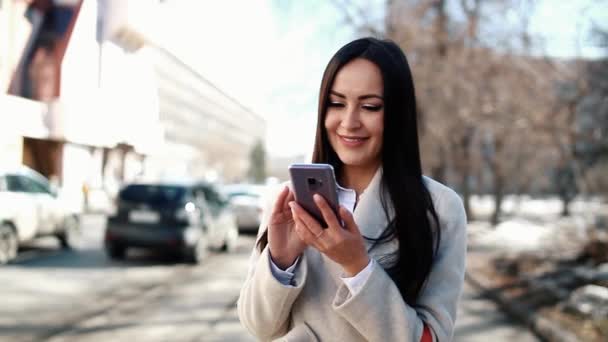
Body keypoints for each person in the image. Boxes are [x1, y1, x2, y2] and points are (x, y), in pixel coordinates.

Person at [238, 37, 467, 342]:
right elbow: (258, 328)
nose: (349, 122)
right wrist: (281, 259)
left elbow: (431, 337)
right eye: (336, 103)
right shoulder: (289, 200)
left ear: (397, 114)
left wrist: (358, 266)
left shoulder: (439, 208)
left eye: (370, 106)